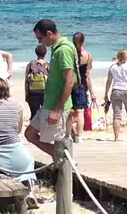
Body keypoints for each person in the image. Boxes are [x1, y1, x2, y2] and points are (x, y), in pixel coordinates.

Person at [26, 19, 77, 149]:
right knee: (30, 134)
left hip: (56, 106)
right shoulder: (56, 48)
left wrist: (57, 110)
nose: (39, 42)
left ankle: (64, 164)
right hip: (48, 103)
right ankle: (58, 160)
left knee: (59, 144)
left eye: (40, 38)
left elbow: (70, 80)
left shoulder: (63, 50)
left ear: (49, 34)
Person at [103, 48, 127, 140]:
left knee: (117, 115)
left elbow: (109, 81)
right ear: (126, 57)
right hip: (126, 91)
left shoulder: (113, 67)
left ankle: (116, 137)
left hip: (115, 90)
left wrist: (106, 93)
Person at [70, 32, 94, 138]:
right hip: (82, 85)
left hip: (70, 83)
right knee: (80, 112)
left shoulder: (69, 54)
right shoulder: (88, 56)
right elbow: (88, 76)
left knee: (68, 110)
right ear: (83, 41)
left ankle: (72, 131)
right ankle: (79, 136)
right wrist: (92, 92)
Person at [24, 43, 49, 115]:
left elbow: (26, 81)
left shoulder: (31, 64)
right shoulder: (48, 64)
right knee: (46, 113)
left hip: (33, 92)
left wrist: (26, 94)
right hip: (45, 92)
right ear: (45, 53)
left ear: (36, 53)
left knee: (34, 114)